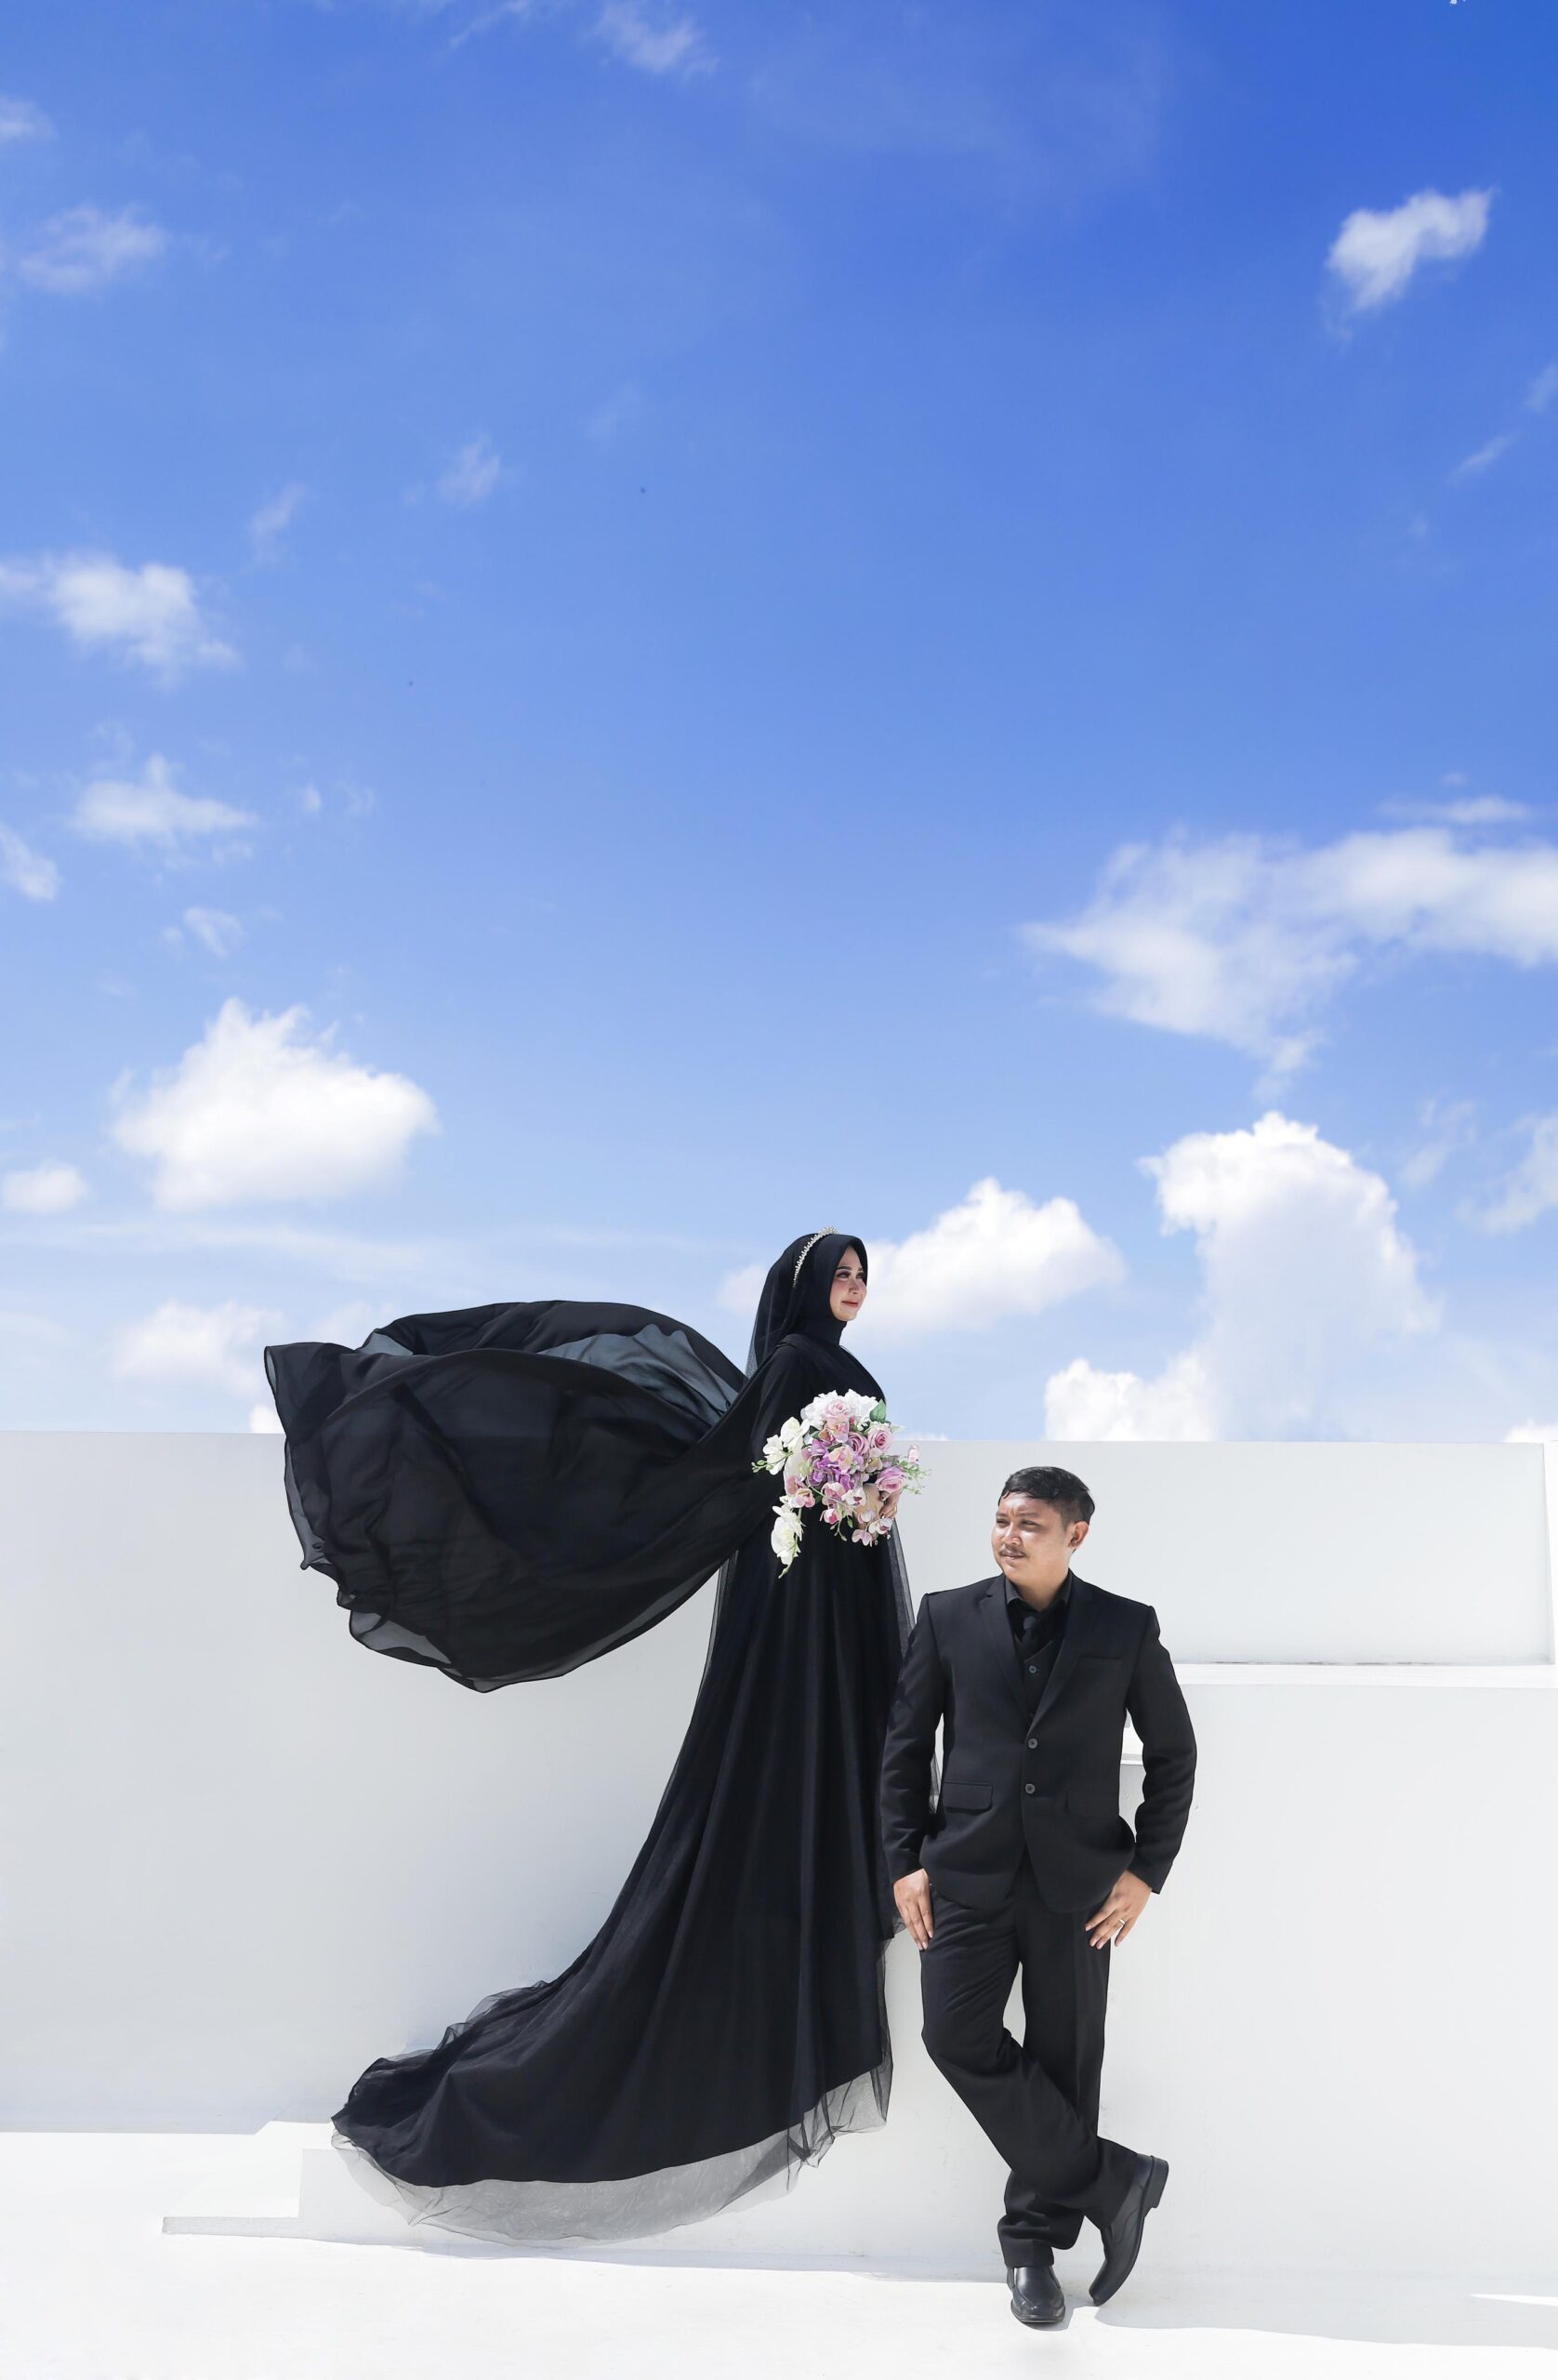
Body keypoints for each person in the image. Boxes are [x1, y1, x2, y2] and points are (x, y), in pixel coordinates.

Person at [264, 1232, 912, 2243]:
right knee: (781, 1768)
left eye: (862, 1276)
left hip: (842, 1587)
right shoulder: (794, 1363)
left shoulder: (837, 1366)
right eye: (840, 1273)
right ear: (801, 1286)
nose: (854, 1288)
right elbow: (756, 1470)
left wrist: (865, 1496)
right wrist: (833, 1488)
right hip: (804, 1601)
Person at [879, 1464, 1195, 2328]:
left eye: (1029, 1524)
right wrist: (904, 1860)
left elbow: (1174, 1754)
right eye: (1001, 1520)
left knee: (1066, 2062)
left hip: (1080, 1887)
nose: (1008, 1537)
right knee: (954, 2035)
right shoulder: (947, 1616)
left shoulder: (1125, 1626)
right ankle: (1112, 2180)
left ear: (1075, 1536)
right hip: (964, 1876)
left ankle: (1032, 2251)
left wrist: (1146, 1871)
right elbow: (904, 1749)